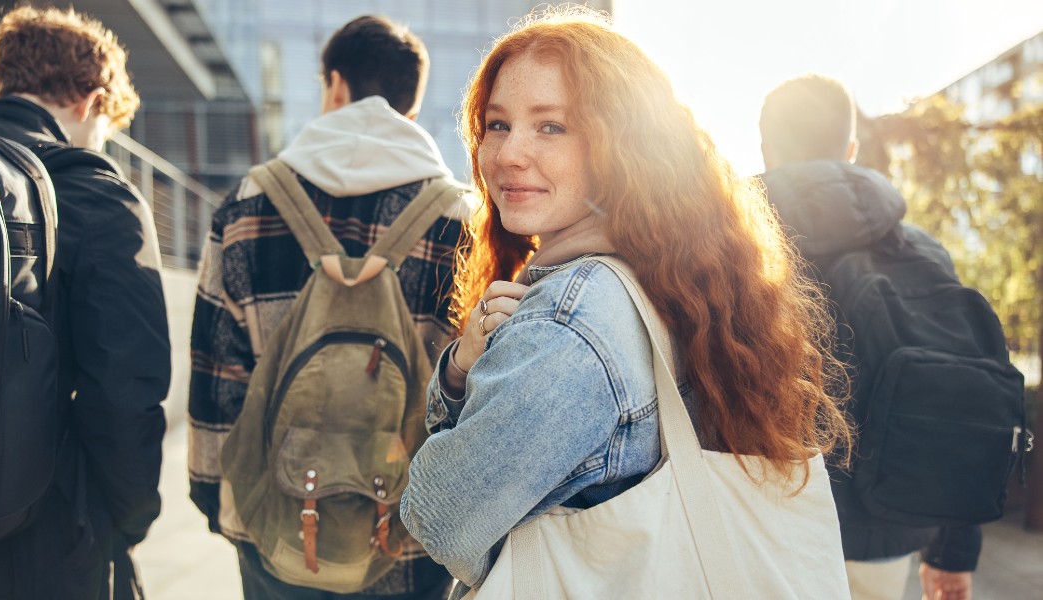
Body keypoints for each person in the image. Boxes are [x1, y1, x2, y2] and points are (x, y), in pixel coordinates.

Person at [399, 7, 851, 597]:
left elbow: (440, 515)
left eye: (551, 127)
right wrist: (464, 371)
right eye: (497, 124)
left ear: (623, 146)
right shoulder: (672, 274)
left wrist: (456, 376)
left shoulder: (573, 318)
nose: (508, 154)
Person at [188, 14, 467, 600]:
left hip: (277, 524)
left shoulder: (247, 205)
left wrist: (217, 501)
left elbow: (217, 376)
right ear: (408, 111)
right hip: (409, 537)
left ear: (335, 86)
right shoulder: (459, 219)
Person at [0, 6, 171, 599]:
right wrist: (126, 519)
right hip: (46, 535)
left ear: (1, 81)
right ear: (93, 100)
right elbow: (127, 392)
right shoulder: (99, 197)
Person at [758, 74, 979, 600]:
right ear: (850, 149)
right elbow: (956, 397)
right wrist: (952, 550)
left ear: (765, 149)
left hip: (763, 528)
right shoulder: (922, 251)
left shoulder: (728, 250)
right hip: (887, 527)